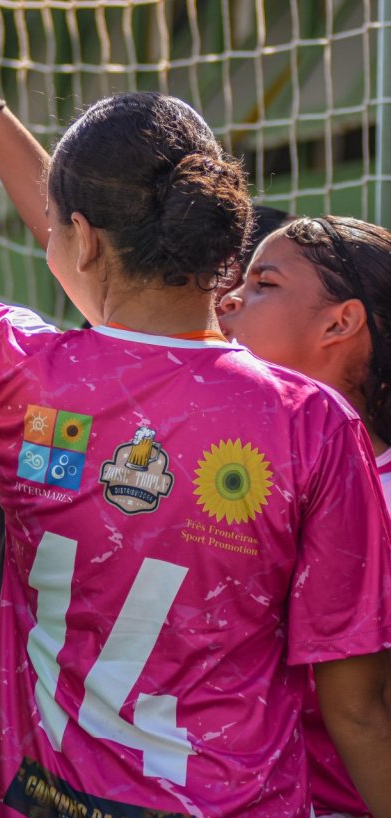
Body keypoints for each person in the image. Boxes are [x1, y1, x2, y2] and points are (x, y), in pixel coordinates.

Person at [0, 1, 391, 816]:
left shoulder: (23, 375)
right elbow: (357, 707)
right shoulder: (316, 423)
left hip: (43, 799)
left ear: (84, 239)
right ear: (223, 246)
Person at [219, 215, 391, 817]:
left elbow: (363, 711)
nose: (229, 299)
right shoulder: (214, 464)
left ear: (339, 322)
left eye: (263, 284)